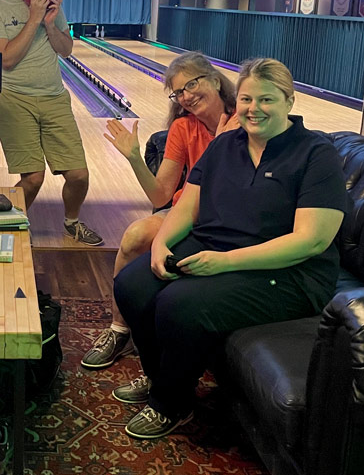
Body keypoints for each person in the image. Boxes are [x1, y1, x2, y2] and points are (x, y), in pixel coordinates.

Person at [112, 58, 347, 439]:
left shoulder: (315, 154)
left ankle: (171, 404)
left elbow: (312, 240)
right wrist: (160, 243)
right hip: (216, 247)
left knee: (178, 303)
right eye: (247, 99)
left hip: (287, 273)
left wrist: (223, 262)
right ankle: (161, 380)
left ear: (290, 100)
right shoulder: (225, 145)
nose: (254, 109)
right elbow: (187, 205)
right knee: (132, 285)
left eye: (267, 99)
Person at [82, 52, 238, 370]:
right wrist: (135, 158)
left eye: (192, 84)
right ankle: (119, 329)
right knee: (134, 235)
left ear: (214, 79)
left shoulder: (243, 121)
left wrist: (221, 147)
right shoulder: (183, 128)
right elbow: (161, 194)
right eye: (179, 92)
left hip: (227, 217)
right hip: (186, 211)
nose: (186, 96)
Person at [0, 0, 103, 246]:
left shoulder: (48, 0)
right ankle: (15, 223)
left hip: (54, 97)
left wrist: (49, 22)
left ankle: (72, 223)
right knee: (33, 178)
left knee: (78, 175)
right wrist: (33, 18)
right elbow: (5, 59)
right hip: (14, 99)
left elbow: (66, 49)